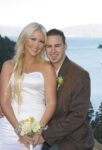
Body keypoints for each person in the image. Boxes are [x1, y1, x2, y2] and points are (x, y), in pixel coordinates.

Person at [0, 22, 56, 150]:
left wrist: (39, 130)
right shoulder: (8, 66)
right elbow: (5, 102)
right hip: (9, 127)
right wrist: (18, 130)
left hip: (35, 130)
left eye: (41, 41)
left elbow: (51, 103)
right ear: (24, 38)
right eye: (33, 39)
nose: (36, 45)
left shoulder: (47, 68)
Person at [38, 29, 94, 150]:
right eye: (49, 46)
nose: (53, 51)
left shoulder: (80, 75)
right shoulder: (42, 70)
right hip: (45, 131)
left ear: (65, 46)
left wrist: (45, 136)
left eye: (57, 46)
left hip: (71, 138)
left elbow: (77, 116)